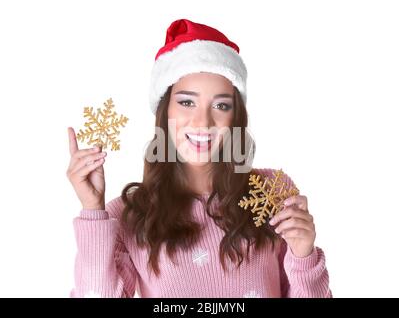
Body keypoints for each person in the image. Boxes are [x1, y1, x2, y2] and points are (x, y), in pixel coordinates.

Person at [66, 19, 331, 298]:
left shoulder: (270, 193)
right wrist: (92, 210)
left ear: (235, 117)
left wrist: (304, 256)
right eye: (187, 102)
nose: (203, 122)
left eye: (220, 105)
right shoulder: (129, 215)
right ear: (165, 111)